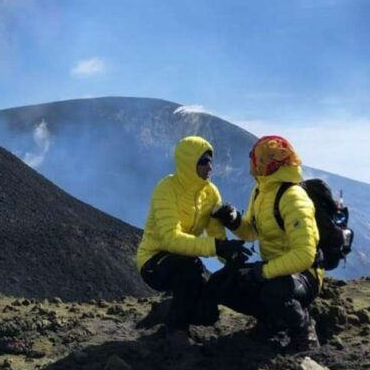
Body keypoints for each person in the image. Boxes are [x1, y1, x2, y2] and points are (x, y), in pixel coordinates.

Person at [136, 136, 251, 350]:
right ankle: (175, 330)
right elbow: (172, 240)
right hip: (154, 263)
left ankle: (168, 310)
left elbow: (216, 233)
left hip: (185, 258)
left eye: (210, 161)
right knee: (188, 267)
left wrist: (229, 255)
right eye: (203, 161)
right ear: (189, 163)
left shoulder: (210, 192)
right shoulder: (166, 188)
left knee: (207, 313)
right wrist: (217, 247)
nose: (210, 167)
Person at [210, 135, 322, 351]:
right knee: (222, 282)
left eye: (255, 158)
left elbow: (304, 255)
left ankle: (304, 330)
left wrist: (263, 272)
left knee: (274, 291)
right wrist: (232, 220)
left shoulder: (293, 198)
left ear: (265, 162)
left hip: (304, 275)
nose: (252, 163)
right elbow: (252, 232)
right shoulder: (261, 190)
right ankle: (272, 321)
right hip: (275, 269)